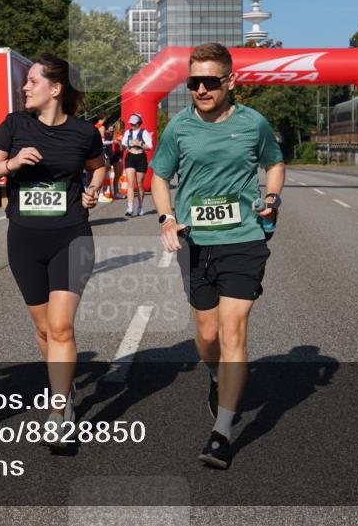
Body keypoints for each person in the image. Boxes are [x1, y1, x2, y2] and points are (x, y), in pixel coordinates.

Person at [150, 42, 285, 470]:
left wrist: (273, 196)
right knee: (207, 337)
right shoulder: (179, 128)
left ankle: (221, 433)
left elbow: (275, 163)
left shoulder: (252, 123)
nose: (202, 90)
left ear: (230, 81)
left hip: (243, 238)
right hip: (196, 241)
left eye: (210, 82)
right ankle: (214, 376)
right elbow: (159, 176)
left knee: (232, 332)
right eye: (194, 83)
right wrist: (167, 219)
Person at [0, 53, 106, 447]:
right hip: (25, 238)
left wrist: (94, 189)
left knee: (61, 325)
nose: (25, 87)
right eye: (26, 81)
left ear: (55, 88)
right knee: (44, 328)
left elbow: (98, 165)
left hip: (72, 235)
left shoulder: (84, 132)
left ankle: (59, 410)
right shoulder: (15, 124)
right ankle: (62, 397)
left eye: (33, 81)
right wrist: (12, 163)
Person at [122, 113, 153, 216]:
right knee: (130, 183)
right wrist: (123, 146)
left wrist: (139, 144)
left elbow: (150, 146)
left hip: (141, 157)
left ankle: (140, 205)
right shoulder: (127, 132)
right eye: (131, 123)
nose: (132, 125)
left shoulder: (144, 133)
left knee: (139, 184)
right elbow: (124, 145)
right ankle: (129, 207)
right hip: (130, 156)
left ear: (139, 123)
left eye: (134, 124)